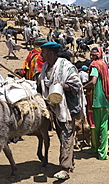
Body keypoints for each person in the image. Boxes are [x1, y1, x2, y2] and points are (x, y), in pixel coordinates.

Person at [38, 41, 86, 180]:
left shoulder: (66, 67)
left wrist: (62, 85)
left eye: (44, 52)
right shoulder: (46, 67)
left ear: (51, 53)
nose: (42, 54)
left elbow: (77, 85)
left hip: (66, 108)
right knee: (62, 136)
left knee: (66, 136)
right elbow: (42, 84)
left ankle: (64, 168)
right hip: (52, 107)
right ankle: (70, 161)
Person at [83, 47, 109, 160]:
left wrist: (83, 86)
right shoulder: (104, 64)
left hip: (96, 99)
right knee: (103, 126)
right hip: (105, 98)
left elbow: (93, 81)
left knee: (94, 126)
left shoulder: (95, 65)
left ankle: (96, 148)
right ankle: (102, 151)